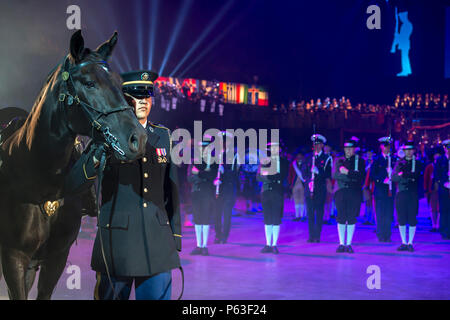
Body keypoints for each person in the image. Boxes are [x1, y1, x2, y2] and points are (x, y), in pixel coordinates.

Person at [83, 70, 181, 300]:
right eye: (136, 98)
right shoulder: (105, 136)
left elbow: (171, 190)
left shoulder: (163, 136)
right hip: (118, 245)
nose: (143, 102)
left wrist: (175, 236)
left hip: (157, 245)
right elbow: (82, 178)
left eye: (147, 97)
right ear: (124, 100)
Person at [333, 138, 365, 253]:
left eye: (351, 148)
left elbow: (360, 176)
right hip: (340, 191)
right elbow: (335, 175)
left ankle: (349, 243)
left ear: (354, 149)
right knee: (341, 217)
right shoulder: (338, 160)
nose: (348, 150)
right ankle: (342, 243)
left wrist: (347, 173)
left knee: (351, 217)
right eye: (347, 148)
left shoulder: (360, 161)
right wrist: (352, 176)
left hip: (354, 192)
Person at [257, 142, 289, 254]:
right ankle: (267, 244)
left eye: (276, 147)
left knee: (276, 218)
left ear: (279, 149)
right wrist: (270, 176)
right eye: (271, 148)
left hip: (277, 192)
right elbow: (259, 176)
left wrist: (268, 175)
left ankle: (274, 244)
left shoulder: (284, 162)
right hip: (266, 192)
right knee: (267, 218)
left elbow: (281, 175)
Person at [392, 141, 424, 251]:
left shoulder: (418, 163)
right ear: (404, 151)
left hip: (412, 194)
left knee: (412, 218)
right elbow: (394, 178)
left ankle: (410, 242)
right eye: (406, 150)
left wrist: (403, 174)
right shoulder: (399, 163)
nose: (409, 152)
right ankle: (403, 242)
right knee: (401, 218)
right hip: (401, 193)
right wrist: (405, 175)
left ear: (413, 151)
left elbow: (415, 175)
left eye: (410, 150)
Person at [187, 139, 217, 255]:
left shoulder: (213, 161)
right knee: (197, 219)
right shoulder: (194, 161)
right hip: (196, 192)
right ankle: (199, 245)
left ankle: (204, 246)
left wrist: (198, 173)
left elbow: (211, 176)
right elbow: (189, 177)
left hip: (207, 192)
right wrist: (203, 175)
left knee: (205, 218)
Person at [213, 131, 240, 244]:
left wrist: (225, 172)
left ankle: (224, 236)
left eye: (225, 142)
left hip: (229, 189)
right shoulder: (215, 154)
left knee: (227, 214)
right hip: (217, 189)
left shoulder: (235, 155)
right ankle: (218, 235)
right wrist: (215, 179)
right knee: (216, 213)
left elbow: (236, 173)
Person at [306, 134, 332, 242]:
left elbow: (328, 174)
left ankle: (317, 235)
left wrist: (318, 171)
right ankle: (311, 235)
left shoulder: (326, 158)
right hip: (310, 188)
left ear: (322, 145)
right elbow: (304, 172)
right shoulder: (309, 157)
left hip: (320, 188)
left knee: (319, 212)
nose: (315, 146)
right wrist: (308, 178)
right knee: (310, 213)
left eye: (318, 144)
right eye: (314, 144)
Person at [370, 137, 397, 242]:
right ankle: (381, 234)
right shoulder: (377, 160)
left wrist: (393, 174)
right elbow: (372, 175)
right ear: (381, 147)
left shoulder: (393, 159)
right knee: (380, 213)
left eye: (389, 146)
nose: (387, 148)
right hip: (380, 191)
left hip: (390, 191)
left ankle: (388, 234)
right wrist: (382, 180)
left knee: (389, 213)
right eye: (385, 146)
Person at [434, 139, 450, 239]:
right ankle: (444, 231)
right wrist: (444, 183)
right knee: (444, 210)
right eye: (448, 148)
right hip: (444, 189)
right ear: (445, 148)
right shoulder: (440, 160)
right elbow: (437, 175)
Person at [424, 148, 442, 232]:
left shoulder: (443, 165)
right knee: (433, 207)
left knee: (440, 208)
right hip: (432, 190)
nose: (437, 156)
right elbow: (426, 179)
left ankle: (438, 224)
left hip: (441, 189)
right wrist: (426, 190)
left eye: (438, 154)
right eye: (435, 154)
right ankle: (434, 225)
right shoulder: (429, 166)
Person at [288, 150, 308, 221]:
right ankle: (297, 216)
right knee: (296, 200)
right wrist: (290, 184)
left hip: (303, 184)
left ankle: (303, 215)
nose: (299, 158)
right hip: (295, 185)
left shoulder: (305, 164)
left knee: (302, 200)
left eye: (300, 156)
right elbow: (290, 175)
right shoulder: (293, 164)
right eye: (297, 157)